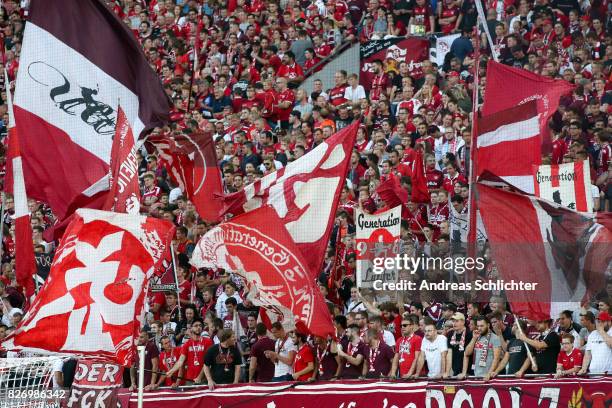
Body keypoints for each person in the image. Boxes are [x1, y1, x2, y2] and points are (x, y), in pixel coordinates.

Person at [166, 318, 213, 384]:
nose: (198, 327)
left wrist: (199, 377)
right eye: (196, 326)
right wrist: (171, 371)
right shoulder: (187, 344)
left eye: (200, 325)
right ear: (191, 328)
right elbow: (180, 361)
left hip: (203, 379)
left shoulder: (208, 342)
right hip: (189, 379)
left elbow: (207, 362)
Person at [458, 316, 501, 380]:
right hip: (476, 376)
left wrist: (489, 374)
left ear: (488, 325)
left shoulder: (495, 338)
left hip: (488, 377)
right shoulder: (476, 336)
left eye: (482, 326)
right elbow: (467, 353)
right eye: (478, 326)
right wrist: (474, 338)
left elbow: (496, 358)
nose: (479, 328)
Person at [445, 312, 472, 378]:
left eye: (457, 321)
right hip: (455, 370)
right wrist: (447, 372)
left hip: (468, 371)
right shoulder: (450, 334)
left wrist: (464, 373)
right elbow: (449, 353)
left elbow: (467, 355)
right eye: (453, 321)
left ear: (463, 322)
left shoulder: (469, 334)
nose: (454, 323)